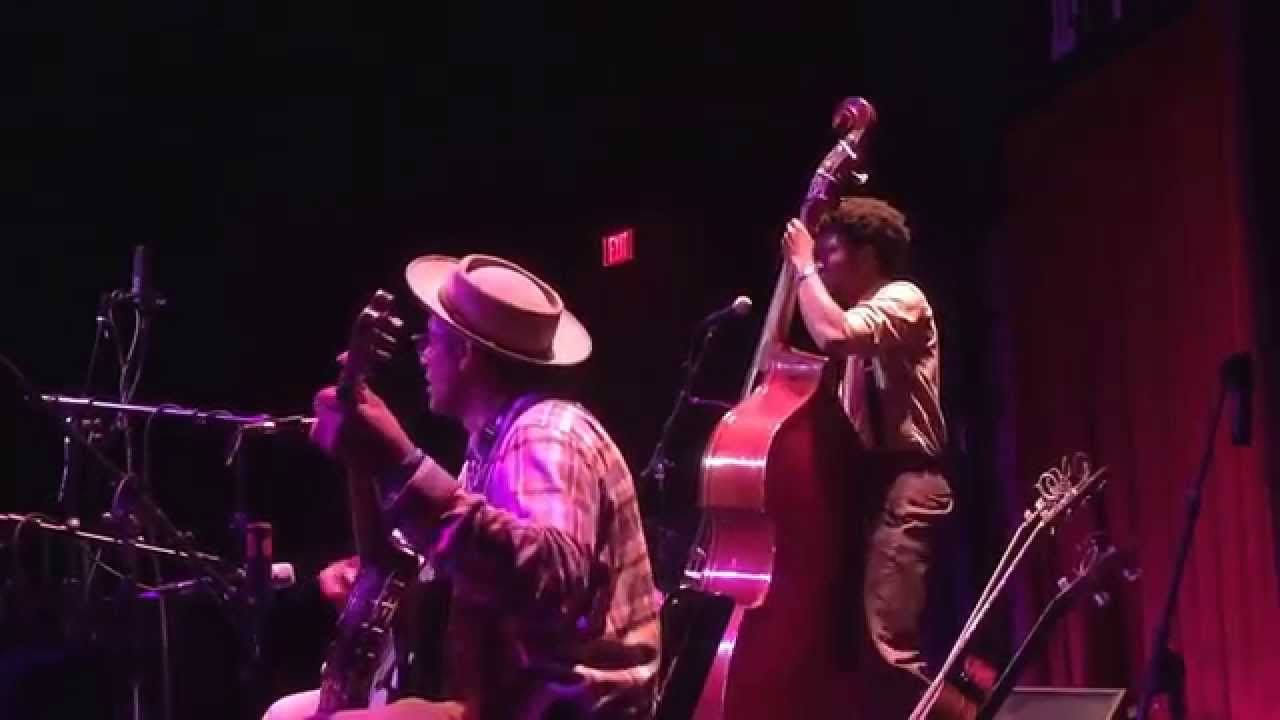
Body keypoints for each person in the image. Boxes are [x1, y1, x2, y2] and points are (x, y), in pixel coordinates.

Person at [264, 254, 661, 720]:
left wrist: (401, 463)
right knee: (287, 714)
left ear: (466, 353)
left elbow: (553, 578)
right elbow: (438, 578)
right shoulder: (488, 449)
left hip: (559, 707)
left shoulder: (546, 431)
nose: (423, 355)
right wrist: (365, 466)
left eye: (429, 340)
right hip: (504, 698)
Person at [781, 197, 977, 716]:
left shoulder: (902, 299)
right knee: (852, 660)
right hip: (868, 490)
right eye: (817, 255)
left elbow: (834, 334)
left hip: (906, 484)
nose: (820, 263)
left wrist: (800, 267)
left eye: (830, 252)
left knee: (889, 655)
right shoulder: (860, 328)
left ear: (868, 253)